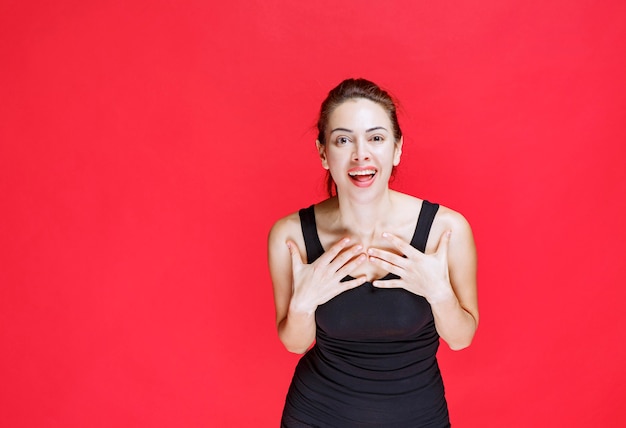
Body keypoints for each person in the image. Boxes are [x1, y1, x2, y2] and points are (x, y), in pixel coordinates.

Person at [268, 78, 479, 427]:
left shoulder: (446, 229)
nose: (360, 154)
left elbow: (461, 338)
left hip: (417, 417)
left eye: (376, 138)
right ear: (323, 153)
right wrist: (303, 304)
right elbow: (295, 344)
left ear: (397, 149)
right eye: (343, 140)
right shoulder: (290, 236)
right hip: (316, 416)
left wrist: (439, 293)